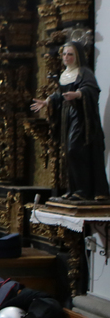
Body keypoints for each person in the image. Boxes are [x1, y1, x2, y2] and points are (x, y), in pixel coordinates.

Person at [31, 41, 110, 201]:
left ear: (77, 56)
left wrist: (79, 94)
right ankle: (73, 189)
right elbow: (60, 95)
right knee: (68, 152)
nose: (66, 57)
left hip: (82, 117)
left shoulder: (84, 72)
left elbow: (91, 90)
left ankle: (84, 190)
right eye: (65, 54)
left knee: (76, 150)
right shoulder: (64, 74)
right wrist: (48, 102)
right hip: (67, 115)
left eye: (70, 54)